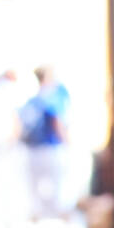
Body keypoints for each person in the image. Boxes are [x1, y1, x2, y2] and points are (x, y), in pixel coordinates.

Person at [19, 66, 70, 218]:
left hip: (32, 150)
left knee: (35, 187)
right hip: (49, 148)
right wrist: (67, 142)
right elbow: (57, 124)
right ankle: (55, 214)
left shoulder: (31, 101)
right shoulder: (51, 99)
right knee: (56, 185)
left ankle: (39, 214)